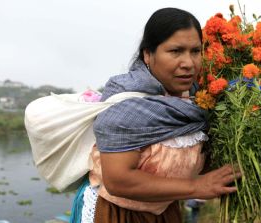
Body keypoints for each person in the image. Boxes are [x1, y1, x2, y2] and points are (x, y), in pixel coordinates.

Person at [72, 7, 242, 223]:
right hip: (118, 215)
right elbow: (119, 181)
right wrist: (197, 186)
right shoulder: (127, 108)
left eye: (196, 51)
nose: (189, 63)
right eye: (175, 51)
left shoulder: (196, 102)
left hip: (166, 213)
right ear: (148, 55)